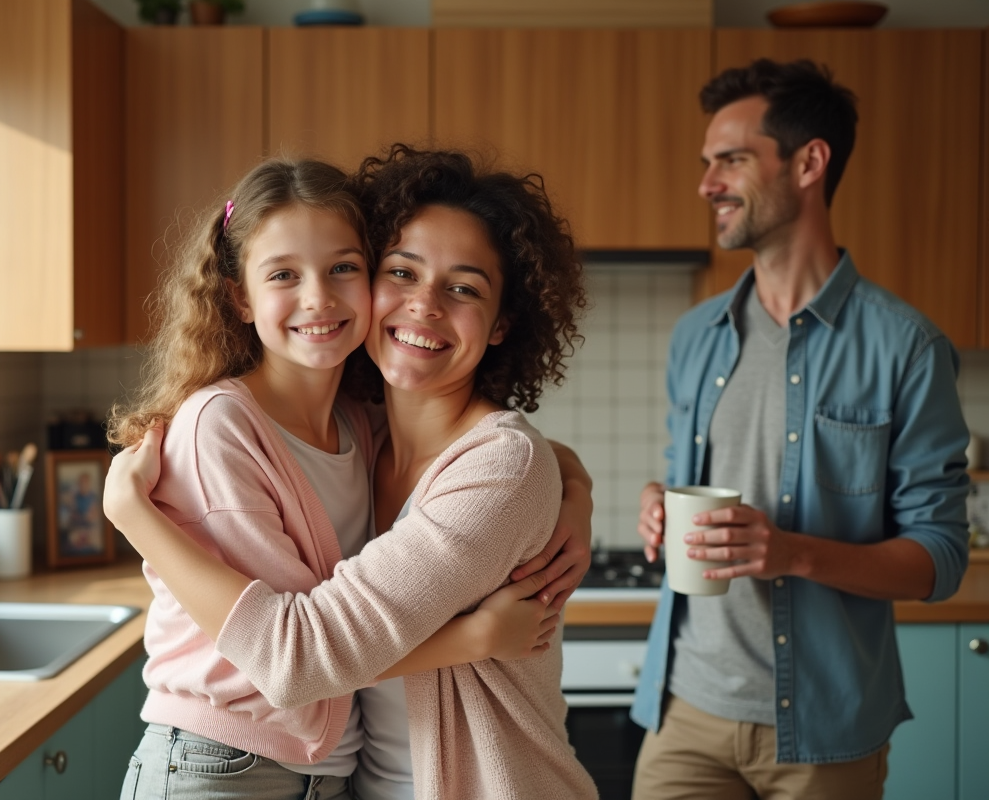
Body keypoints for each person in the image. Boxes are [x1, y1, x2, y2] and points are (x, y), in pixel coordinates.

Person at [105, 144, 599, 800]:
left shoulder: (385, 436)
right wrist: (474, 637)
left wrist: (571, 482)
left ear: (503, 321)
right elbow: (298, 658)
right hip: (235, 765)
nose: (423, 304)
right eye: (403, 271)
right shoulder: (318, 427)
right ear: (239, 296)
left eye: (463, 287)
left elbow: (517, 462)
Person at [631, 58, 971, 799]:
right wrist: (659, 499)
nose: (706, 184)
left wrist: (791, 554)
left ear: (809, 162)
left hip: (825, 730)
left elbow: (941, 559)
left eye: (731, 160)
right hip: (685, 712)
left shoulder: (906, 347)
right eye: (705, 163)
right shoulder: (697, 335)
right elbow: (686, 469)